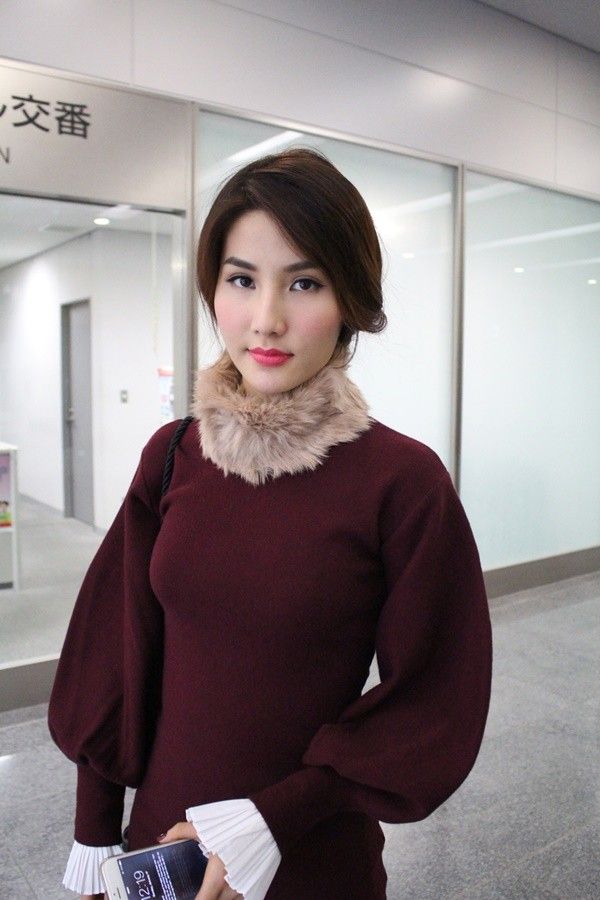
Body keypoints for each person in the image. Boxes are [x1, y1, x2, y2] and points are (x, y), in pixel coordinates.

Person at [48, 148, 492, 900]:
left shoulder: (402, 481)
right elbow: (115, 650)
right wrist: (96, 833)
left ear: (349, 300)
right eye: (242, 279)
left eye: (305, 283)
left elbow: (434, 695)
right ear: (213, 289)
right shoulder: (173, 456)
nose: (267, 320)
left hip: (311, 857)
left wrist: (272, 819)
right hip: (161, 849)